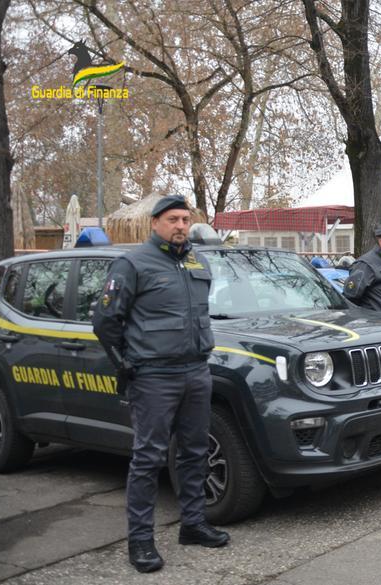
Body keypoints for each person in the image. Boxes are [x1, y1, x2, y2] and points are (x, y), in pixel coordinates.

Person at [92, 195, 229, 574]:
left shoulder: (194, 261)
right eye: (173, 219)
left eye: (185, 219)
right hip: (153, 377)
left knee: (194, 452)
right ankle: (141, 541)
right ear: (155, 223)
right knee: (148, 458)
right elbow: (105, 322)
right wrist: (127, 365)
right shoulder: (132, 263)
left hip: (196, 372)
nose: (181, 225)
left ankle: (194, 524)